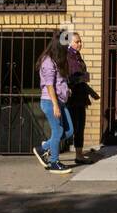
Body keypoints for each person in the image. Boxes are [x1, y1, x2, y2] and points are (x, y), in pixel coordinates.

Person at [32, 37, 74, 174]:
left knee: (69, 131)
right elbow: (49, 86)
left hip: (60, 101)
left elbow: (59, 82)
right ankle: (53, 162)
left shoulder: (57, 60)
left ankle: (43, 149)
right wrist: (56, 105)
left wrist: (66, 90)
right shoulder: (48, 61)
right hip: (50, 102)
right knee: (58, 131)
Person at [66, 32, 101, 165]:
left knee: (80, 127)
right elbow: (71, 77)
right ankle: (48, 149)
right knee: (71, 128)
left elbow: (81, 78)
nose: (80, 44)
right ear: (70, 43)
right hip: (72, 98)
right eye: (77, 42)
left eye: (80, 41)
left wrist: (91, 92)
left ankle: (79, 155)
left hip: (80, 97)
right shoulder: (69, 57)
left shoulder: (77, 56)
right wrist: (83, 77)